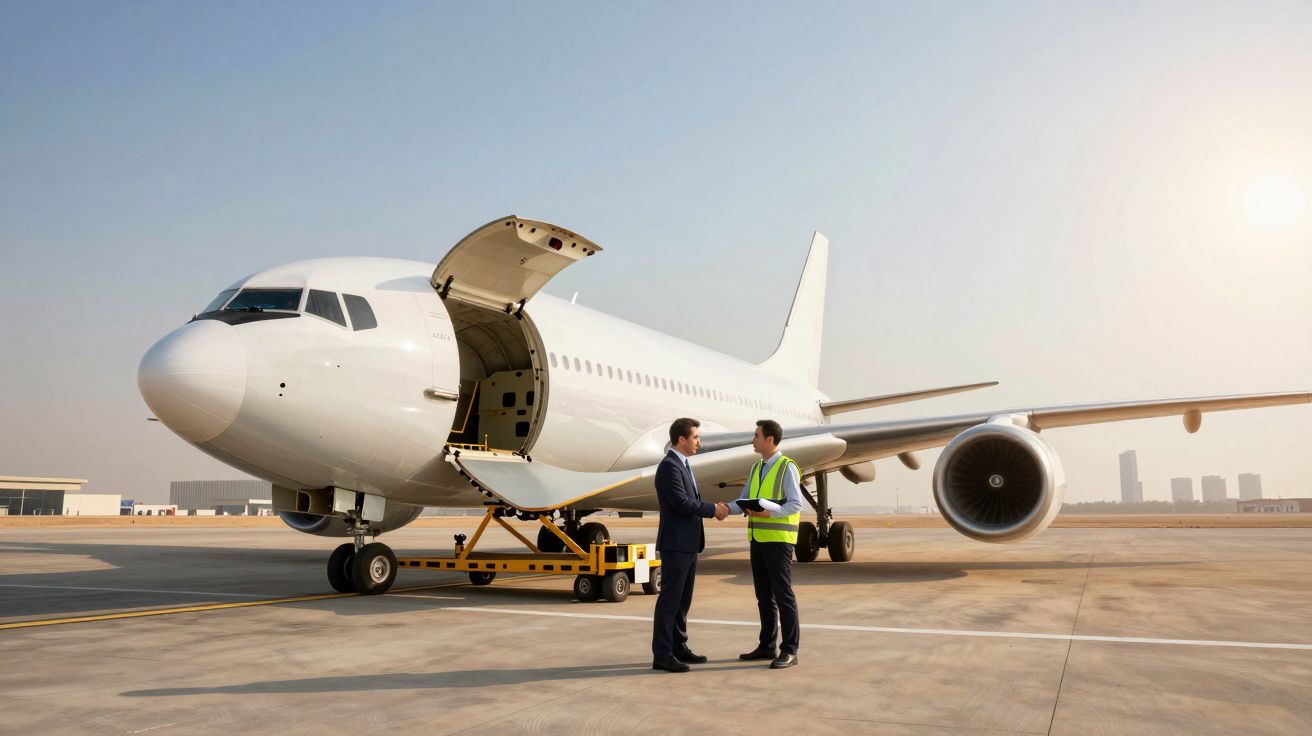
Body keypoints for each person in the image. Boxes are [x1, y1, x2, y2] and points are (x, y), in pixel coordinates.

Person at [651, 417, 730, 673]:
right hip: (676, 544)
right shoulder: (669, 467)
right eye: (695, 437)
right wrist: (713, 509)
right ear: (681, 439)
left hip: (689, 544)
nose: (700, 441)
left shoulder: (683, 465)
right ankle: (662, 654)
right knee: (670, 600)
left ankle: (679, 646)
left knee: (683, 600)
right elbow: (682, 503)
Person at [727, 419, 802, 669]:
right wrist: (722, 509)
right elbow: (743, 500)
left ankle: (790, 650)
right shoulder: (756, 467)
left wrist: (768, 513)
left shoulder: (787, 467)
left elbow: (795, 504)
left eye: (756, 435)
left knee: (783, 596)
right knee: (763, 597)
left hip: (779, 541)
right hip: (757, 539)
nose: (753, 439)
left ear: (770, 439)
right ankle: (767, 646)